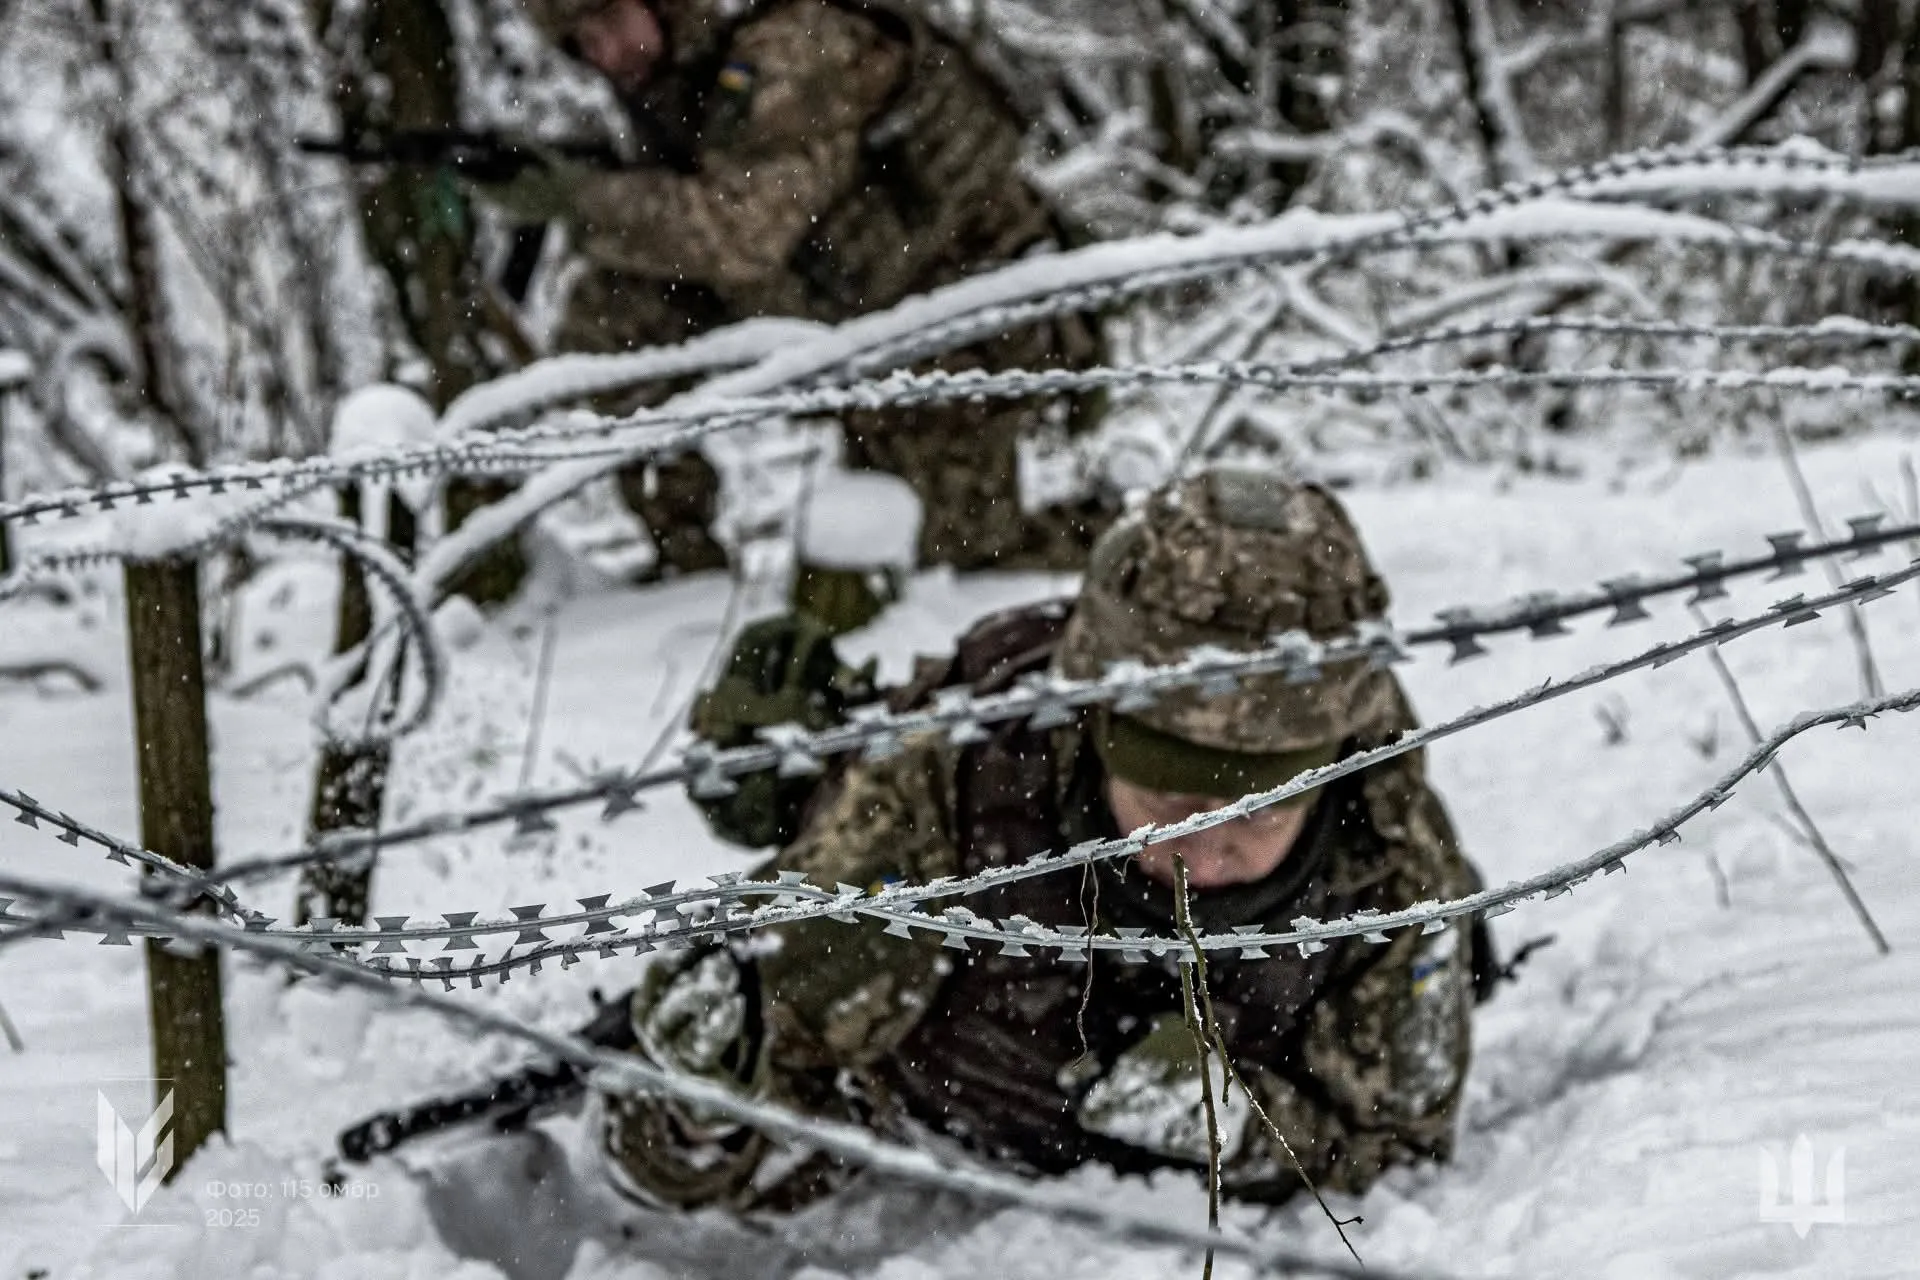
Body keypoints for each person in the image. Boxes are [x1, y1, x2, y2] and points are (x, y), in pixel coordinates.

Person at [594, 465, 1490, 1214]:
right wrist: (699, 1103)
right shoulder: (946, 787)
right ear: (1096, 742)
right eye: (1164, 801)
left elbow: (1402, 1155)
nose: (1201, 856)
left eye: (1256, 816)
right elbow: (675, 1166)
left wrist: (1237, 1129)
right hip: (943, 1112)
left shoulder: (1388, 846)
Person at [499, 0, 1115, 573]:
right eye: (582, 43)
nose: (604, 52)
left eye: (608, 21)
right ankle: (685, 559)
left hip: (960, 319)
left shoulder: (794, 47)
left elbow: (745, 235)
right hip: (847, 306)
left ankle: (1122, 545)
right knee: (614, 308)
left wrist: (577, 196)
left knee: (960, 568)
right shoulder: (683, 79)